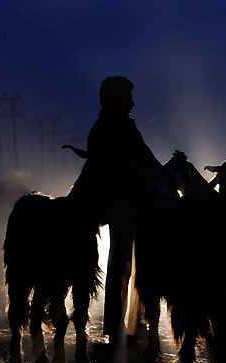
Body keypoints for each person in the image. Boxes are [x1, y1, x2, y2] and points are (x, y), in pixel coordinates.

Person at [71, 76, 177, 339]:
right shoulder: (110, 129)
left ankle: (130, 326)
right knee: (122, 266)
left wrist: (165, 177)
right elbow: (131, 167)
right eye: (126, 97)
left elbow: (145, 161)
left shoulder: (119, 127)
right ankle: (119, 330)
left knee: (129, 266)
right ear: (113, 98)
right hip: (121, 205)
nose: (131, 103)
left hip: (128, 204)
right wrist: (162, 181)